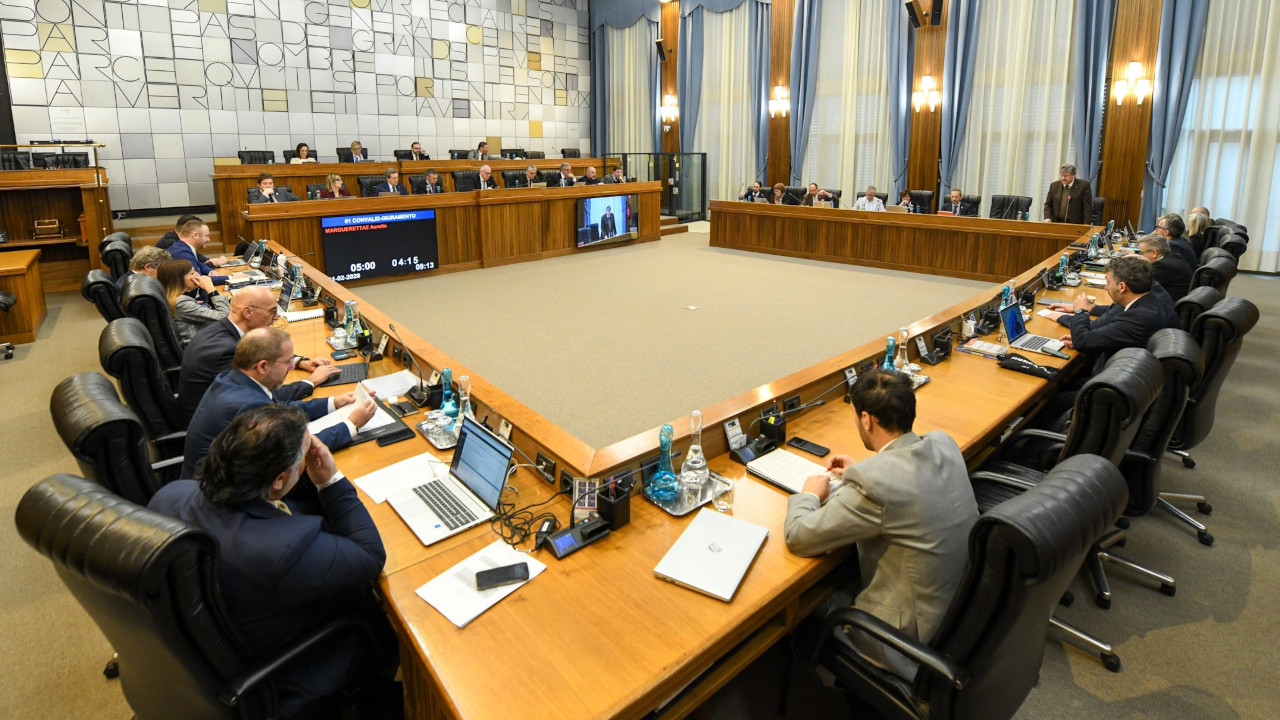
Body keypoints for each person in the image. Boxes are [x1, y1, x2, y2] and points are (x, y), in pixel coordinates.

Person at [149, 405, 396, 717]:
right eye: (306, 454)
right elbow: (370, 555)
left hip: (206, 652)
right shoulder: (284, 550)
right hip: (283, 669)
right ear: (279, 480)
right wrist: (329, 479)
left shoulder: (169, 495)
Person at [784, 369, 977, 679]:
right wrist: (865, 472)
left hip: (912, 639)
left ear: (866, 420)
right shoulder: (943, 442)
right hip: (963, 615)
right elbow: (904, 481)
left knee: (806, 611)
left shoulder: (876, 483)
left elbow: (799, 536)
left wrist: (809, 495)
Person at [181, 327, 376, 478]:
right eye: (288, 362)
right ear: (263, 366)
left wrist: (333, 402)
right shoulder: (248, 404)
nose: (291, 368)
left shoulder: (232, 379)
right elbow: (294, 452)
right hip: (219, 498)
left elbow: (279, 409)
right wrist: (351, 425)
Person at [178, 285, 339, 419]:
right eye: (272, 311)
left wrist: (299, 362)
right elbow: (266, 397)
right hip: (223, 433)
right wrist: (311, 381)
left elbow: (259, 349)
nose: (276, 317)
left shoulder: (218, 328)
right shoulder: (226, 351)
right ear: (247, 312)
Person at [1045, 254, 1179, 377]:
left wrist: (1081, 311)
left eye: (1108, 282)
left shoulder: (1138, 319)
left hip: (1117, 383)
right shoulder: (1154, 299)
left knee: (1052, 398)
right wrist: (1094, 335)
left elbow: (1082, 341)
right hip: (1133, 374)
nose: (1106, 287)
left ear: (1122, 287)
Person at [158, 259, 231, 346]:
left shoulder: (173, 298)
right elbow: (226, 318)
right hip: (205, 346)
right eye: (192, 273)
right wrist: (211, 289)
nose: (198, 275)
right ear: (177, 279)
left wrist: (195, 306)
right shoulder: (181, 303)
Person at [166, 219, 228, 287]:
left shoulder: (182, 247)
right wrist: (231, 278)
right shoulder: (182, 253)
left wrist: (210, 271)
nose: (208, 239)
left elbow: (198, 264)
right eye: (206, 236)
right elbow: (199, 280)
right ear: (195, 235)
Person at [1134, 233, 1191, 302]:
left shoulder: (1162, 266)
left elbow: (1138, 285)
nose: (1140, 255)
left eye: (1141, 253)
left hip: (1168, 306)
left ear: (1154, 253)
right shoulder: (1174, 256)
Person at [155, 214, 225, 268]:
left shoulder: (180, 242)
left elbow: (196, 257)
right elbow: (192, 269)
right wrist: (215, 263)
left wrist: (209, 260)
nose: (208, 239)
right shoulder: (172, 245)